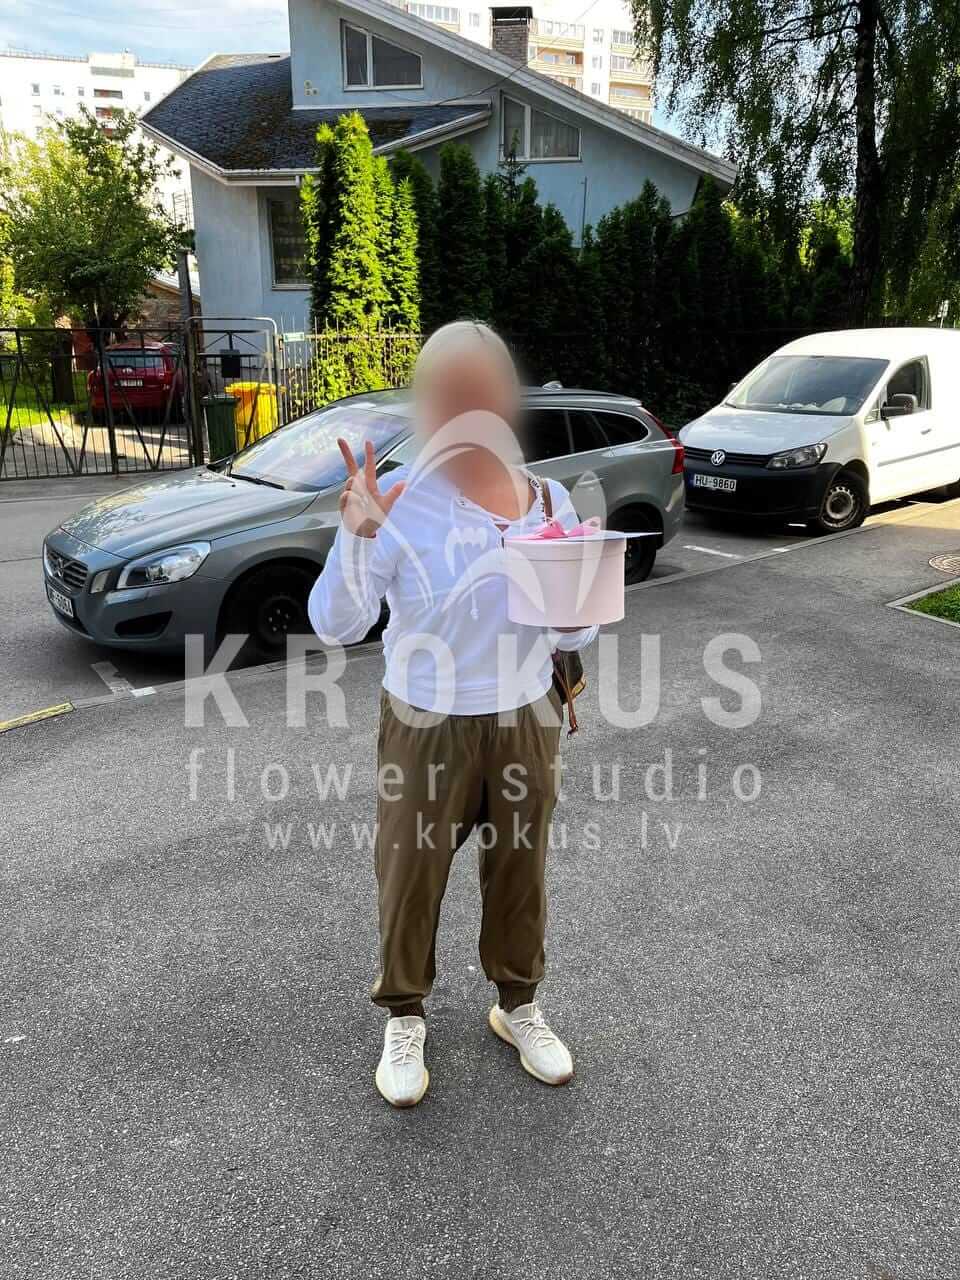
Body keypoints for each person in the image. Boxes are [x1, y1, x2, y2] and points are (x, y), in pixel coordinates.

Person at [307, 322, 598, 1107]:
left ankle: (518, 1005)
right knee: (410, 874)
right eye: (450, 394)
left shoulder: (548, 498)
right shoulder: (399, 500)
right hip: (426, 723)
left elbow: (571, 634)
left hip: (527, 716)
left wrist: (576, 615)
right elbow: (335, 625)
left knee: (520, 873)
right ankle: (404, 1015)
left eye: (482, 391)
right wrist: (355, 538)